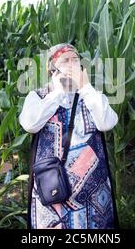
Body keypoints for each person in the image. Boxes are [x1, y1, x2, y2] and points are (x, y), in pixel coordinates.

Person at [19, 43, 119, 229]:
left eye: (76, 60)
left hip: (93, 196)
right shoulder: (38, 96)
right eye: (66, 60)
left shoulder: (90, 96)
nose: (72, 64)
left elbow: (107, 123)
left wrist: (86, 87)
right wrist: (57, 92)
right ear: (52, 68)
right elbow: (30, 124)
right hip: (53, 191)